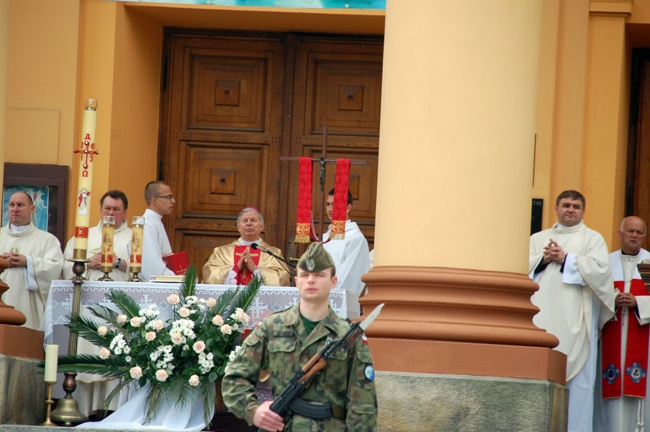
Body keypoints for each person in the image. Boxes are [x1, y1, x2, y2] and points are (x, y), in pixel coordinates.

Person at [222, 242, 378, 431]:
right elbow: (234, 378)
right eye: (305, 275)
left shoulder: (347, 335)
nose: (310, 280)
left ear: (333, 281)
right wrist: (252, 411)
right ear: (296, 281)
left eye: (319, 275)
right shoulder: (273, 327)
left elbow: (363, 403)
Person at [529, 189, 615, 432]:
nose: (570, 210)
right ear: (556, 208)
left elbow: (601, 273)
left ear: (583, 211)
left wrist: (566, 259)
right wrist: (543, 260)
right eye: (566, 205)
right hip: (542, 317)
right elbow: (519, 267)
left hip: (577, 320)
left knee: (579, 385)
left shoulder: (593, 239)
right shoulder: (538, 238)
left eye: (576, 206)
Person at [595, 216, 650, 431]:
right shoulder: (606, 263)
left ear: (644, 236)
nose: (634, 236)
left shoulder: (648, 264)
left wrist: (638, 303)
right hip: (612, 336)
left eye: (639, 232)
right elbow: (594, 298)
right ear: (620, 233)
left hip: (642, 342)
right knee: (611, 396)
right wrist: (613, 300)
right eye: (630, 231)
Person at [0, 191, 64, 330]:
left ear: (32, 209)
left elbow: (55, 267)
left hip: (28, 305)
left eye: (20, 205)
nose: (15, 209)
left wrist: (28, 262)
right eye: (12, 205)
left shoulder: (47, 240)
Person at [202, 207, 290, 286]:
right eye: (245, 220)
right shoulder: (221, 251)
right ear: (238, 227)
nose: (249, 224)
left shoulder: (273, 253)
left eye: (253, 220)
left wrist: (256, 269)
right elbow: (209, 275)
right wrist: (235, 268)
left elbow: (282, 278)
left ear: (262, 226)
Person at [62, 190, 131, 280]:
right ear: (100, 210)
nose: (111, 213)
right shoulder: (82, 237)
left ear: (125, 213)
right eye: (107, 208)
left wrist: (119, 263)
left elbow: (147, 271)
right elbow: (64, 267)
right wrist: (87, 263)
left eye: (116, 209)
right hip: (86, 292)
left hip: (122, 293)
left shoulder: (135, 237)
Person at [323, 189, 370, 318]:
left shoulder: (355, 238)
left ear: (348, 207)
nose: (330, 209)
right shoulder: (326, 237)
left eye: (335, 204)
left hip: (339, 305)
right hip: (320, 301)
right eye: (328, 204)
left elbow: (349, 277)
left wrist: (325, 295)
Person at [140, 181, 176, 281]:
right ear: (154, 200)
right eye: (168, 197)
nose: (173, 201)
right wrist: (177, 279)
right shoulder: (147, 225)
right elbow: (152, 268)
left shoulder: (156, 222)